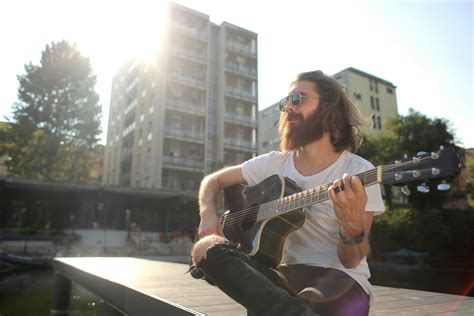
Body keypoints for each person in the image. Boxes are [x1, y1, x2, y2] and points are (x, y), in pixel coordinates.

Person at [190, 70, 385, 316]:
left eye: (298, 99)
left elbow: (351, 261)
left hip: (342, 282)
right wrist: (208, 213)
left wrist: (352, 228)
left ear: (329, 108)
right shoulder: (275, 163)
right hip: (284, 278)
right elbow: (214, 180)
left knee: (306, 301)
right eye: (286, 102)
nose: (288, 108)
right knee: (205, 248)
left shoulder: (358, 172)